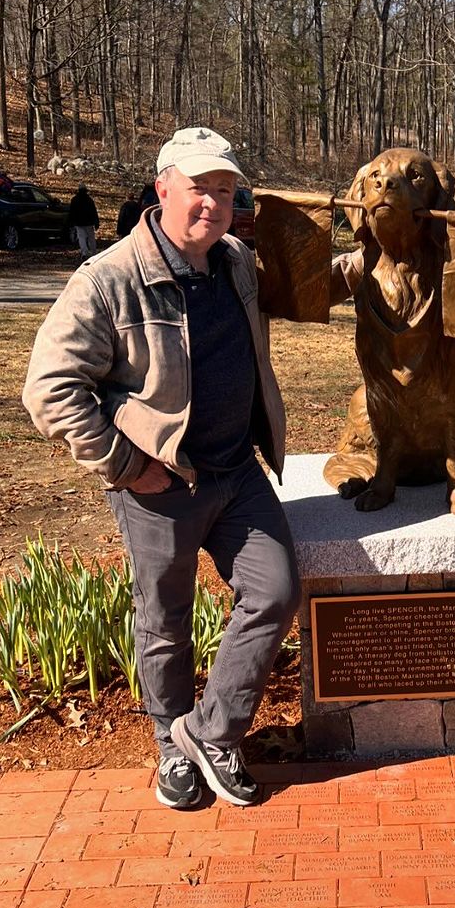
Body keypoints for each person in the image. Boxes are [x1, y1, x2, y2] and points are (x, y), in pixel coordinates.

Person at [23, 127, 300, 811]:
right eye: (199, 188)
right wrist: (123, 464)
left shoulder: (235, 259)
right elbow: (50, 388)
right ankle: (172, 750)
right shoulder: (109, 278)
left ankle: (212, 732)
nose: (213, 202)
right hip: (160, 484)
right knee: (166, 620)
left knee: (277, 591)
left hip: (237, 472)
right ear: (164, 188)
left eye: (226, 190)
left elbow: (311, 283)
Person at [68, 183, 99, 260]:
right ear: (85, 191)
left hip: (78, 222)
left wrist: (71, 222)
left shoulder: (74, 200)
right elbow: (93, 212)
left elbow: (72, 212)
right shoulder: (89, 200)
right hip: (89, 222)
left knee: (81, 238)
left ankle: (84, 252)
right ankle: (94, 253)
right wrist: (96, 222)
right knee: (91, 238)